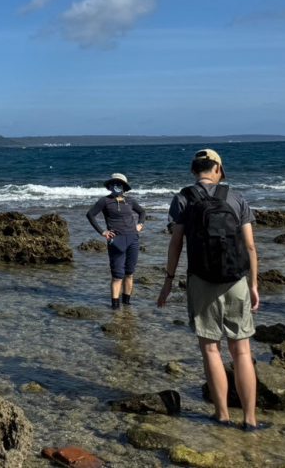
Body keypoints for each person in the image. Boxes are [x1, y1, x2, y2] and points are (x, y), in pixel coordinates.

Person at [157, 148, 263, 431]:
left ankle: (222, 415)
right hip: (235, 280)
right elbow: (250, 247)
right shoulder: (235, 197)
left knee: (211, 350)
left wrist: (168, 281)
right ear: (218, 169)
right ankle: (250, 420)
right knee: (241, 350)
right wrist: (253, 284)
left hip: (200, 279)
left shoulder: (183, 199)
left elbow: (176, 244)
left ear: (195, 170)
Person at [85, 173, 146, 309]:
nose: (117, 186)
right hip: (116, 241)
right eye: (114, 184)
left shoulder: (130, 201)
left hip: (133, 240)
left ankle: (127, 305)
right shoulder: (104, 201)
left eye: (119, 184)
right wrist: (102, 232)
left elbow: (142, 212)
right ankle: (115, 308)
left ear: (124, 187)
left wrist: (140, 224)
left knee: (129, 273)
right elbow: (90, 215)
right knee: (117, 276)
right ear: (110, 186)